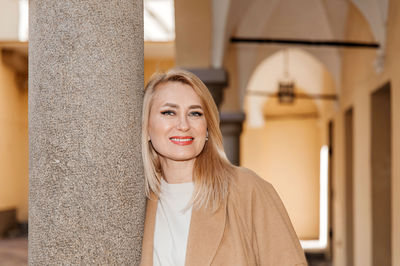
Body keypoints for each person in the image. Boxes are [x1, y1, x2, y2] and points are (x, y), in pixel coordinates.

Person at [140, 69, 307, 266]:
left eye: (195, 113)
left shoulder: (246, 189)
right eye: (169, 112)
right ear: (147, 128)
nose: (183, 125)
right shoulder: (140, 202)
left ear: (207, 127)